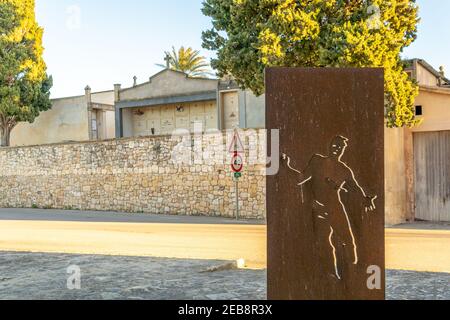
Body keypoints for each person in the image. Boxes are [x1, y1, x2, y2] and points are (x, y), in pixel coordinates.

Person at [282, 135, 377, 280]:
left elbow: (355, 188)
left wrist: (365, 199)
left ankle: (351, 272)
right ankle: (330, 274)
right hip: (319, 208)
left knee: (349, 241)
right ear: (329, 145)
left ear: (343, 151)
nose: (337, 149)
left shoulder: (344, 170)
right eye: (335, 145)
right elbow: (300, 179)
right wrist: (287, 166)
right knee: (323, 242)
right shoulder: (317, 161)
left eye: (340, 147)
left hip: (336, 208)